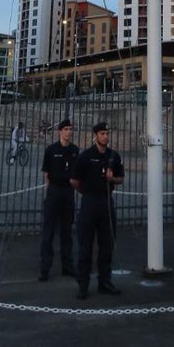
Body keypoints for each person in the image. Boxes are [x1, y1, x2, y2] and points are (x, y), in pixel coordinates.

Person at [71, 120, 124, 299]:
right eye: (102, 134)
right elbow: (74, 180)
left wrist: (112, 179)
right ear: (95, 136)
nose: (105, 137)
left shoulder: (113, 156)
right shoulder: (85, 156)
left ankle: (105, 281)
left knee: (106, 245)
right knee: (85, 246)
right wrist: (86, 192)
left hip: (106, 202)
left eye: (107, 134)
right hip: (89, 203)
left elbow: (121, 178)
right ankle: (83, 284)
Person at [39, 118, 80, 281]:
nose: (69, 132)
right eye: (66, 129)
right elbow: (46, 173)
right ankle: (44, 268)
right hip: (55, 190)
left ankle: (67, 265)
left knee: (67, 232)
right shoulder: (51, 150)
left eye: (71, 129)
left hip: (68, 192)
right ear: (60, 131)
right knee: (48, 232)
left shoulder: (75, 150)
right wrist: (49, 191)